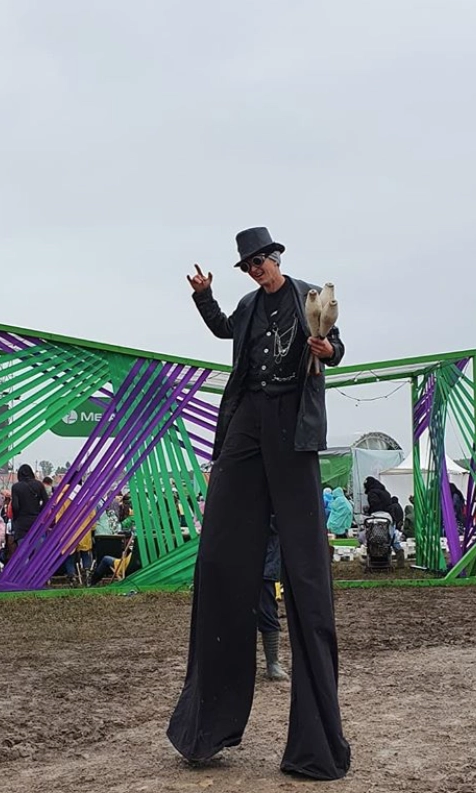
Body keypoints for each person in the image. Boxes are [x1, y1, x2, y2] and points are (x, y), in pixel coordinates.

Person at [167, 227, 350, 780]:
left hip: (293, 420)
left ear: (276, 259)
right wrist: (205, 296)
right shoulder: (248, 305)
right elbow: (225, 329)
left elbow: (337, 346)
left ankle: (315, 744)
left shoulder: (310, 296)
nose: (256, 271)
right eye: (248, 266)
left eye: (261, 262)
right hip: (248, 416)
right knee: (219, 554)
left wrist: (328, 350)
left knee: (306, 569)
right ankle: (206, 726)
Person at [258, 518, 289, 682]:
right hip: (240, 562)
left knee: (267, 612)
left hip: (266, 564)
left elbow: (280, 522)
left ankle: (272, 663)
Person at [10, 464, 49, 545]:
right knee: (37, 548)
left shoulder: (16, 487)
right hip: (36, 520)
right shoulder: (39, 485)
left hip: (22, 522)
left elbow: (15, 506)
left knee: (23, 549)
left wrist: (16, 518)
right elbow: (46, 502)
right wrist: (39, 511)